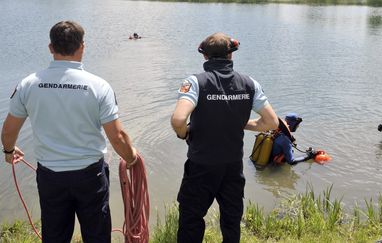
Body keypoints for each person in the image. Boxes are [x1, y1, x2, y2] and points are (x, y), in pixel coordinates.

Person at [1, 21, 138, 243]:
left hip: (50, 176)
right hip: (90, 176)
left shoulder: (28, 84)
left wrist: (9, 150)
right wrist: (131, 158)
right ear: (82, 46)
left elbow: (8, 130)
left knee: (55, 236)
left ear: (50, 47)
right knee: (96, 235)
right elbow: (118, 137)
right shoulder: (99, 86)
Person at [171, 32, 279, 243]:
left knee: (191, 220)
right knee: (231, 221)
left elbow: (178, 119)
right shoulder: (249, 84)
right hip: (232, 167)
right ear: (231, 56)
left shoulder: (195, 82)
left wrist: (183, 132)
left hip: (200, 167)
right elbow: (272, 122)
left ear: (205, 57)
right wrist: (240, 123)